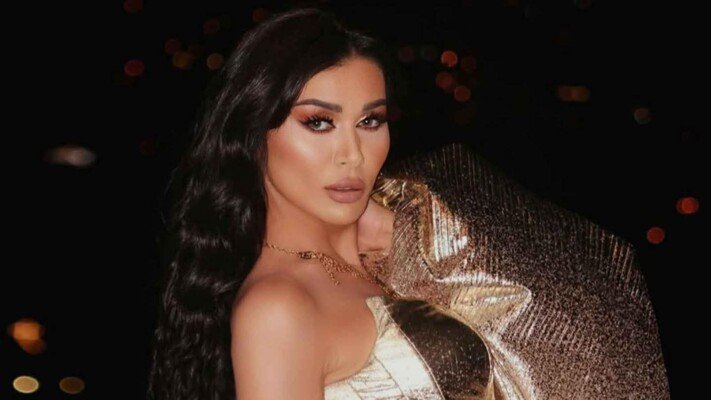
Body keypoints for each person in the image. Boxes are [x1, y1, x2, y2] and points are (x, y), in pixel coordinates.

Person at [147, 6, 670, 400]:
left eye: (370, 121)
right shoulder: (279, 308)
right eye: (319, 122)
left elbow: (579, 327)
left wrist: (403, 231)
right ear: (252, 135)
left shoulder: (397, 246)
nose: (353, 154)